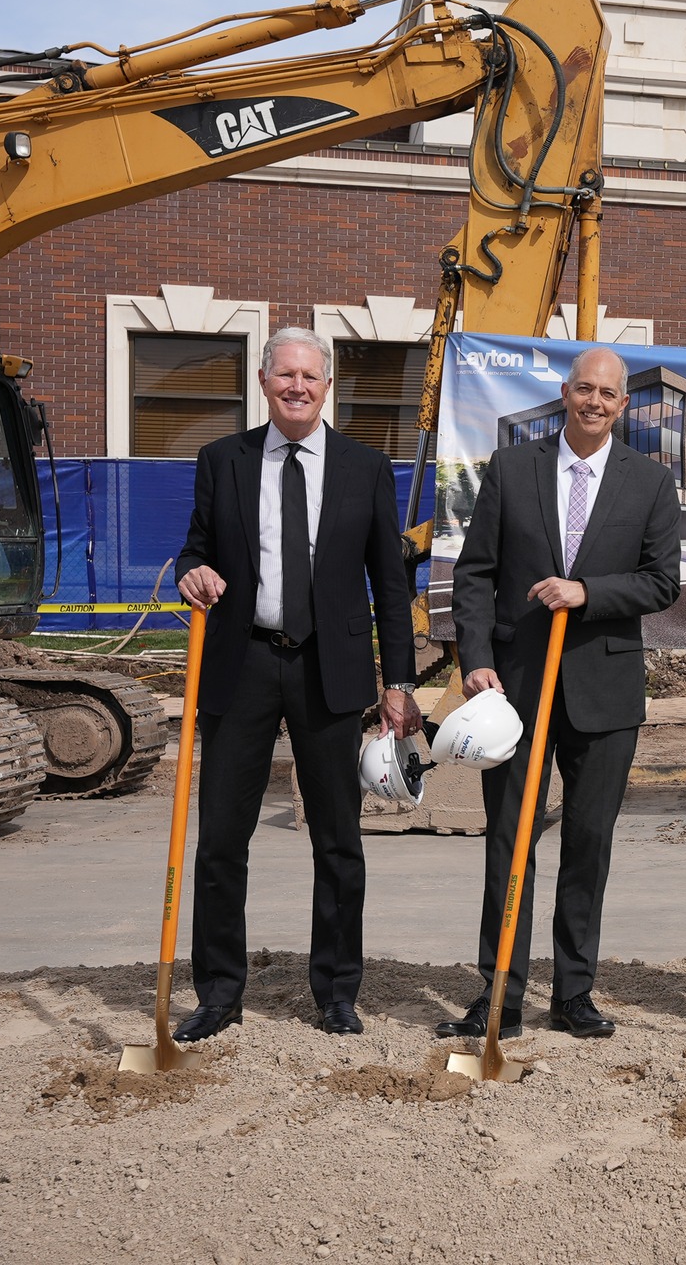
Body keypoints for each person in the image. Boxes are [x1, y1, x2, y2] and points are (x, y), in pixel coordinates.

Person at [173, 327, 421, 1041]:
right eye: (285, 374)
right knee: (222, 840)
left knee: (339, 840)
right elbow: (195, 548)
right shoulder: (222, 460)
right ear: (263, 381)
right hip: (241, 665)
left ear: (327, 386)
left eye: (310, 376)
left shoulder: (365, 468)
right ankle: (219, 992)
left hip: (328, 671)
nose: (298, 387)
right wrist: (193, 571)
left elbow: (390, 584)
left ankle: (337, 991)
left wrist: (400, 681)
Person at [437, 347, 681, 1041]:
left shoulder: (650, 482)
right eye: (584, 389)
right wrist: (476, 661)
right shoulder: (513, 468)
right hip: (514, 689)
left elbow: (662, 581)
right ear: (566, 393)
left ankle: (574, 992)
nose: (594, 402)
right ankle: (500, 994)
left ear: (623, 405)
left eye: (608, 393)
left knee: (588, 842)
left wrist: (587, 592)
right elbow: (475, 574)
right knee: (510, 840)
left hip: (605, 691)